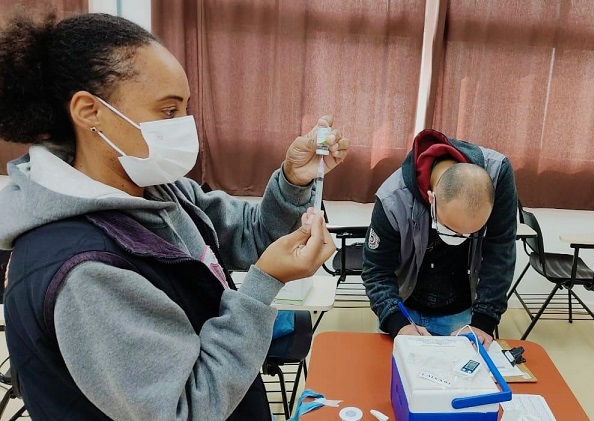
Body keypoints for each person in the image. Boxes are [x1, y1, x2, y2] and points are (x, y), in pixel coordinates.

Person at [0, 10, 349, 420]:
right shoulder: (83, 270)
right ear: (89, 111)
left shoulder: (155, 189)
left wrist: (293, 179)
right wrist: (262, 286)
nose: (185, 125)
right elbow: (186, 410)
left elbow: (250, 236)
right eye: (168, 111)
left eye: (185, 108)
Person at [362, 128, 517, 347]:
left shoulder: (498, 176)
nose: (460, 238)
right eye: (451, 229)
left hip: (460, 313)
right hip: (404, 308)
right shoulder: (393, 199)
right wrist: (398, 323)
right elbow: (376, 270)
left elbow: (501, 250)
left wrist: (483, 321)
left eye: (470, 233)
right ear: (431, 199)